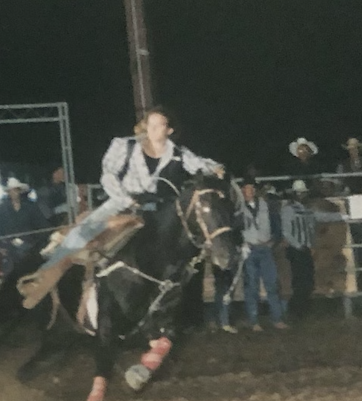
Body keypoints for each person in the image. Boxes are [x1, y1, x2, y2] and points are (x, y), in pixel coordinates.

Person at [36, 105, 224, 274]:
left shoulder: (177, 153)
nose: (153, 129)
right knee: (83, 231)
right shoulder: (124, 145)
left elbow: (198, 163)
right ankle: (49, 270)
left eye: (159, 125)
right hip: (120, 202)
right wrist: (127, 200)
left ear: (169, 130)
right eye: (150, 124)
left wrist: (215, 168)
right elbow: (108, 175)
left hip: (155, 206)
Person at [236, 177, 286, 331]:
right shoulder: (238, 208)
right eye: (244, 189)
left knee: (271, 284)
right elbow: (234, 228)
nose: (247, 192)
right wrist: (240, 244)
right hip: (249, 249)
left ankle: (276, 319)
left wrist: (274, 240)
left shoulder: (266, 206)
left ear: (254, 190)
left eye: (249, 189)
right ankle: (254, 321)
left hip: (265, 248)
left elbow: (277, 224)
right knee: (252, 286)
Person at [0, 177, 47, 276]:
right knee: (10, 278)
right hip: (9, 249)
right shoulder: (2, 208)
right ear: (8, 193)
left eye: (15, 190)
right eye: (11, 191)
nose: (13, 193)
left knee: (29, 276)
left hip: (28, 249)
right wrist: (1, 246)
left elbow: (42, 226)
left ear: (19, 191)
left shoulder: (30, 207)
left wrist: (36, 244)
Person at [280, 179, 321, 321]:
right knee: (301, 281)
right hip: (297, 250)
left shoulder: (306, 209)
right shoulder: (289, 209)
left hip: (304, 249)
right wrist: (299, 246)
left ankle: (299, 310)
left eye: (302, 193)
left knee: (307, 281)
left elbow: (318, 218)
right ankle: (296, 311)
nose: (301, 196)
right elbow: (286, 232)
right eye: (299, 193)